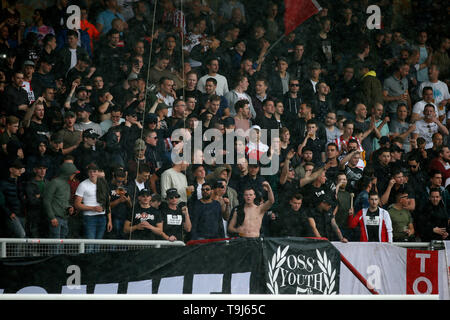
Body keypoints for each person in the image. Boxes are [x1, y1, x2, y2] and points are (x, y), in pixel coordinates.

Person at [74, 163, 112, 244]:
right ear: (87, 173)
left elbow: (107, 203)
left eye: (94, 171)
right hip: (89, 218)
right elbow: (77, 204)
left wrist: (109, 220)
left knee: (98, 244)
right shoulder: (83, 185)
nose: (92, 174)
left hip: (102, 217)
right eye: (90, 172)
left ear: (98, 172)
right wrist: (92, 208)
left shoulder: (103, 183)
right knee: (90, 244)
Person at [43, 161, 79, 239]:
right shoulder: (54, 182)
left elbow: (64, 201)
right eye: (73, 173)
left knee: (62, 247)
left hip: (64, 219)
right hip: (56, 218)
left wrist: (69, 207)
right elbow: (46, 201)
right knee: (55, 247)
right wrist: (52, 217)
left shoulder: (67, 184)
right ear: (67, 173)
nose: (74, 175)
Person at [0, 159, 26, 238]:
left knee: (18, 237)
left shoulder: (20, 183)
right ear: (11, 169)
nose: (20, 170)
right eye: (17, 168)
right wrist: (9, 213)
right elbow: (1, 202)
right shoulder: (3, 184)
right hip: (11, 215)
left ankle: (14, 251)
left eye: (20, 168)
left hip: (21, 214)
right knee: (21, 235)